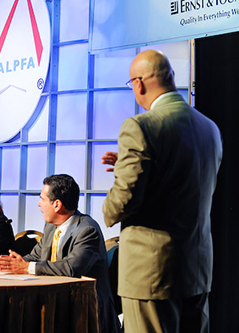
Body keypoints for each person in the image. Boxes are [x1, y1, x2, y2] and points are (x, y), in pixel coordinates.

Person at [102, 50, 222, 333]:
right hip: (196, 269)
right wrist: (137, 168)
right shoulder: (210, 128)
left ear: (138, 84)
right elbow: (181, 181)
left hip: (151, 273)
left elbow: (119, 205)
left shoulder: (140, 126)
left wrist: (123, 174)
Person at [0, 174, 121, 333]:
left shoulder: (88, 230)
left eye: (42, 199)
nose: (39, 203)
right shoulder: (51, 227)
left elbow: (70, 268)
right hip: (57, 300)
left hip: (86, 309)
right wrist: (13, 264)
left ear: (57, 205)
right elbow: (36, 256)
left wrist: (27, 267)